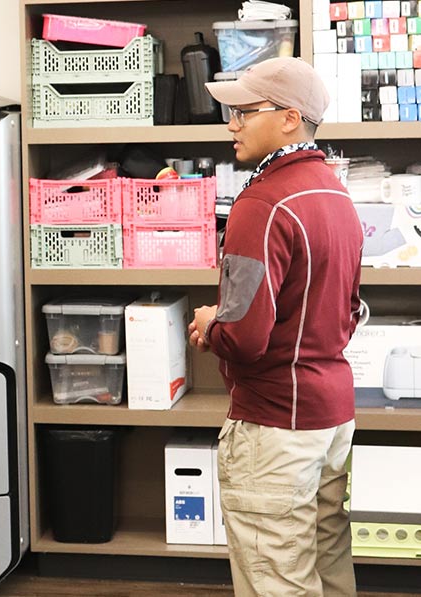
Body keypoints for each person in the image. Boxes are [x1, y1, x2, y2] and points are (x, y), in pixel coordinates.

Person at [188, 57, 363, 596]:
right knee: (327, 562)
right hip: (330, 416)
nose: (231, 124)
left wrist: (210, 323)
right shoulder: (335, 194)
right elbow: (344, 310)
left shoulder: (261, 204)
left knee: (277, 578)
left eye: (244, 111)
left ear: (289, 118)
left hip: (275, 426)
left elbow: (244, 337)